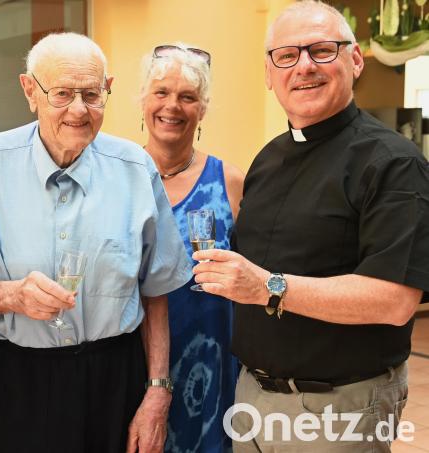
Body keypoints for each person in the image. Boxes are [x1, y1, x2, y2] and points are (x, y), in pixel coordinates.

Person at [0, 32, 192, 453]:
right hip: (22, 380)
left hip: (116, 378)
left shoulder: (134, 168)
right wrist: (14, 296)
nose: (78, 110)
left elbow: (155, 293)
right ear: (30, 90)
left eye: (92, 94)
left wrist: (158, 393)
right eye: (62, 94)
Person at [192, 1, 429, 451]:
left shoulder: (394, 164)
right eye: (287, 55)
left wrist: (269, 287)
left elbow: (395, 300)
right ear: (269, 73)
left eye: (321, 50)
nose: (303, 67)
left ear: (354, 59)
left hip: (337, 405)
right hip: (250, 397)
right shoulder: (268, 159)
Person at [139, 43, 244, 453]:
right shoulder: (119, 177)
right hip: (135, 362)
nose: (172, 106)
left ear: (203, 109)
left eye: (187, 97)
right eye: (161, 93)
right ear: (143, 102)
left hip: (211, 361)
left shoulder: (229, 181)